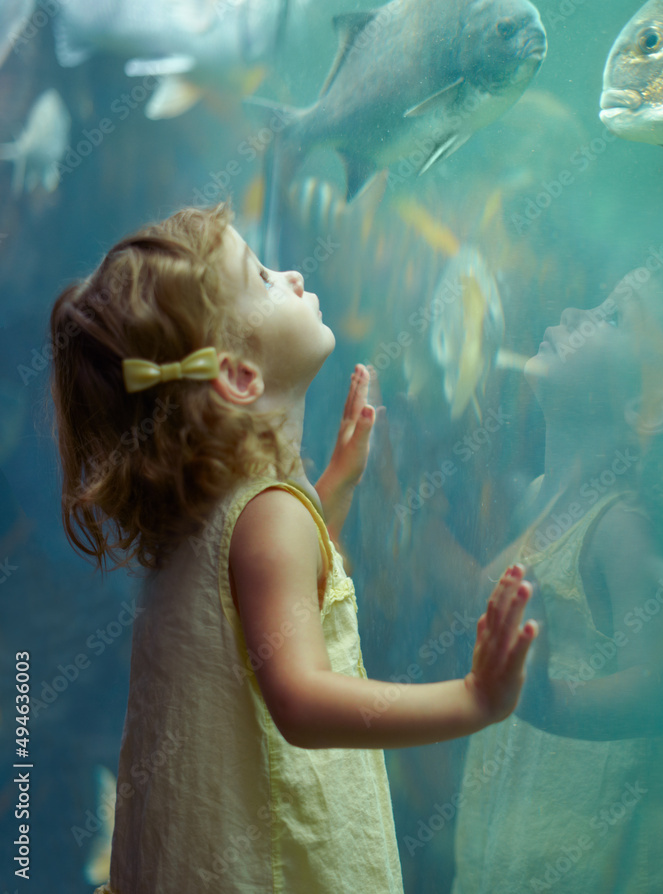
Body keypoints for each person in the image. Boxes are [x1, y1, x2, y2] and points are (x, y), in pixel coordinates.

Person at [48, 203, 536, 894]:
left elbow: (258, 620)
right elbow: (299, 700)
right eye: (264, 277)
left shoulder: (214, 514)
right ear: (241, 376)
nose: (294, 273)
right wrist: (473, 700)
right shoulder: (268, 517)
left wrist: (329, 495)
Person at [449, 265, 663, 893]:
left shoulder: (620, 529)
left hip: (593, 852)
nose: (575, 313)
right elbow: (478, 603)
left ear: (649, 406)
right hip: (516, 831)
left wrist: (546, 701)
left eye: (613, 316)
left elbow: (656, 691)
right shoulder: (537, 501)